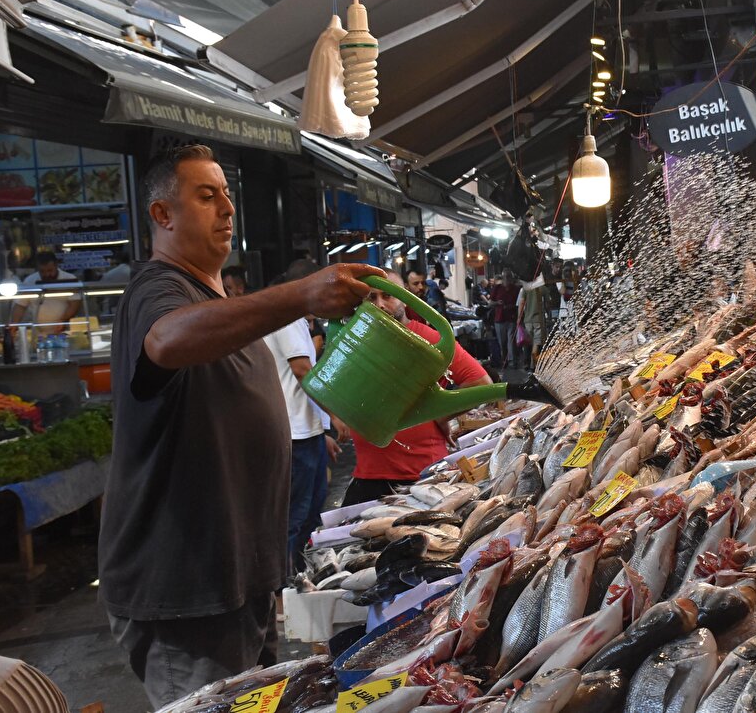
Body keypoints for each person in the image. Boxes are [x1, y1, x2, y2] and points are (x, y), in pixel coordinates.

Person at [99, 144, 387, 708]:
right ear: (163, 215)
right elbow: (167, 340)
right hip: (184, 590)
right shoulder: (157, 290)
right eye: (206, 196)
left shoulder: (217, 298)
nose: (227, 208)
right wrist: (302, 294)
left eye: (227, 195)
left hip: (238, 583)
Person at [341, 269, 492, 507]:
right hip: (368, 474)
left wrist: (442, 415)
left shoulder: (430, 340)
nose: (380, 305)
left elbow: (481, 382)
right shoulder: (354, 342)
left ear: (404, 297)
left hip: (422, 476)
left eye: (387, 296)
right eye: (371, 298)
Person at [262, 268, 350, 574]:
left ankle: (299, 577)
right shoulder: (286, 319)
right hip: (294, 435)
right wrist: (334, 414)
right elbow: (301, 371)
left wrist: (321, 429)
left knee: (311, 512)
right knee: (295, 515)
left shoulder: (297, 322)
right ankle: (283, 586)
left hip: (304, 432)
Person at [8, 252, 81, 334]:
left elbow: (75, 304)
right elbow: (20, 305)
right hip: (38, 331)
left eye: (50, 270)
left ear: (56, 265)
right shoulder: (30, 281)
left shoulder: (69, 279)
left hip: (65, 329)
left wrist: (63, 320)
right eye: (42, 271)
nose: (46, 274)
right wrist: (14, 324)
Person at [489, 269, 519, 368]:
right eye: (505, 277)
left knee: (511, 341)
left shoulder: (516, 289)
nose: (506, 279)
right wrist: (498, 303)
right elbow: (490, 303)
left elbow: (519, 303)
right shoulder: (497, 288)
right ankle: (504, 360)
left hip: (511, 317)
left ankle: (512, 361)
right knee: (502, 342)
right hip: (499, 318)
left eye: (508, 277)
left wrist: (512, 307)